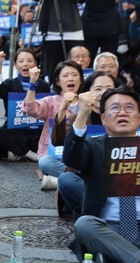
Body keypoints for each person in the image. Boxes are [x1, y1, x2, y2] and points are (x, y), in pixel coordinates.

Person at [64, 85, 140, 263]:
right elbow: (72, 159)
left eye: (129, 108)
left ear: (139, 118)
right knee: (83, 225)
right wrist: (82, 115)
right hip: (106, 227)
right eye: (114, 108)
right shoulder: (93, 147)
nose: (122, 112)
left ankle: (116, 261)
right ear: (103, 119)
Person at [54, 71, 116, 216]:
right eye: (98, 89)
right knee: (65, 178)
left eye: (109, 89)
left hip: (119, 183)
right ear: (88, 92)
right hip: (85, 180)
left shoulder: (124, 118)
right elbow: (62, 147)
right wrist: (78, 114)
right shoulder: (78, 117)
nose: (103, 93)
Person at [21, 60, 84, 190]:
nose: (70, 78)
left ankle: (59, 180)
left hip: (80, 156)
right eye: (65, 76)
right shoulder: (51, 101)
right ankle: (82, 179)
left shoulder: (87, 103)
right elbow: (30, 109)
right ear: (58, 82)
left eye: (74, 75)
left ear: (81, 80)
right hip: (55, 156)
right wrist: (32, 83)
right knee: (44, 162)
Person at [0, 48, 50, 161]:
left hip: (36, 132)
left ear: (36, 64)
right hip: (15, 132)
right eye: (21, 61)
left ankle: (18, 152)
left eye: (29, 61)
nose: (25, 64)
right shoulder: (10, 84)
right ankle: (28, 153)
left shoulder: (44, 85)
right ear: (15, 65)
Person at [38, 0, 84, 84]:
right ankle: (54, 92)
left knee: (75, 68)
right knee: (54, 70)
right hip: (50, 28)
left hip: (73, 29)